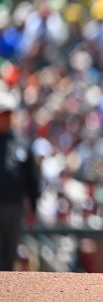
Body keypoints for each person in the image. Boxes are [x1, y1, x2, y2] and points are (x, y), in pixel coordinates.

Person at [0, 87, 40, 271]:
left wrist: (33, 206)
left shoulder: (21, 143)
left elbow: (31, 178)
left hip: (14, 207)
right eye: (2, 114)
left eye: (7, 114)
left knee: (10, 253)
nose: (5, 118)